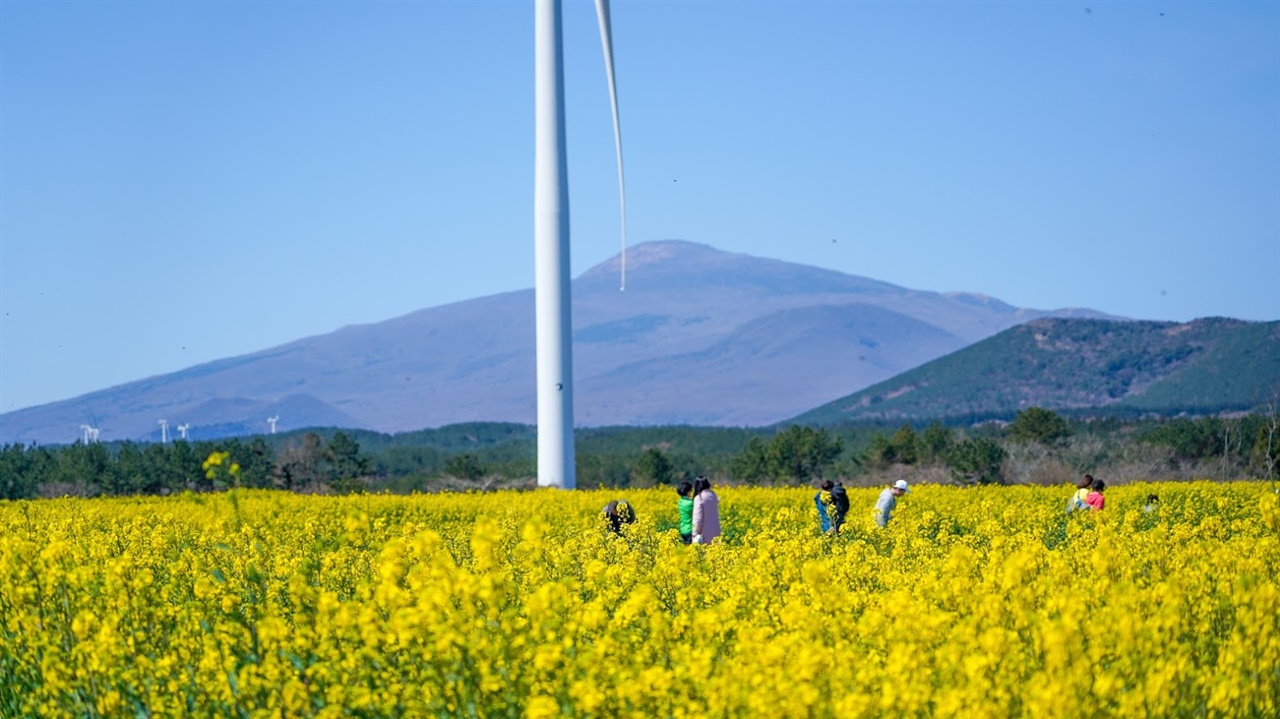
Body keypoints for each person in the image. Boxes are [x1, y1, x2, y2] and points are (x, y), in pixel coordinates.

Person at [691, 476, 721, 544]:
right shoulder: (713, 495)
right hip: (716, 530)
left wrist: (694, 532)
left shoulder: (699, 498)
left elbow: (697, 518)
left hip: (704, 533)